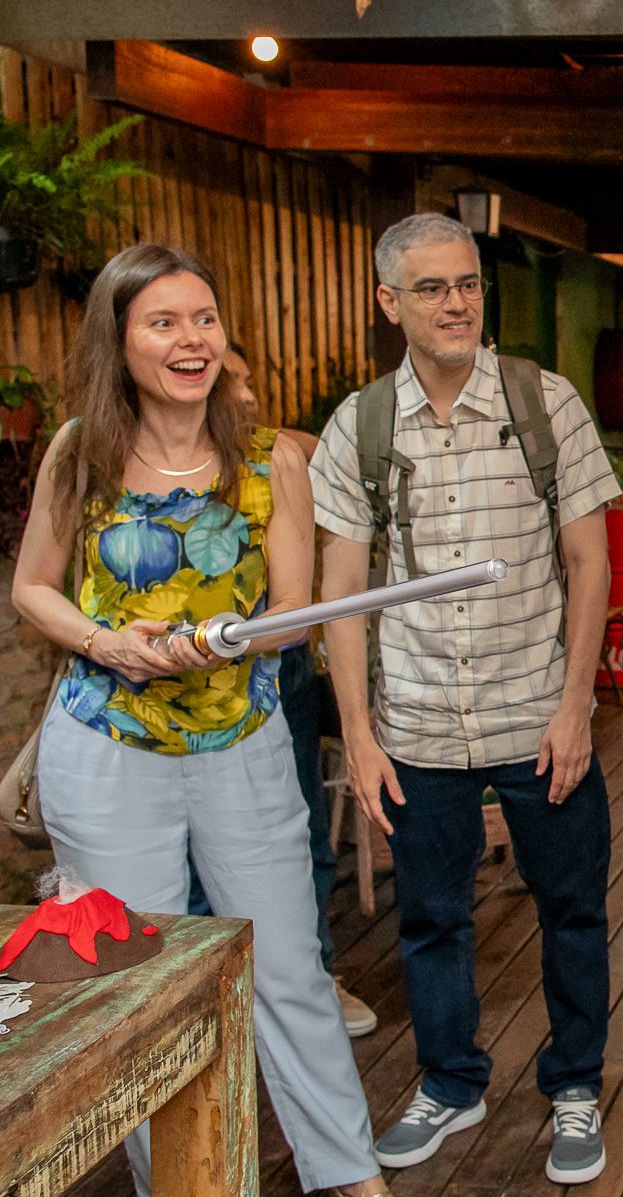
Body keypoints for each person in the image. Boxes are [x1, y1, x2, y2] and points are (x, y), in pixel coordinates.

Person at [11, 244, 422, 1197]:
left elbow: (293, 608)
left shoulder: (273, 454)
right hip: (104, 749)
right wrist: (106, 638)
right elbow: (33, 588)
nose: (190, 339)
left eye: (203, 318)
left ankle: (350, 1169)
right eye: (163, 321)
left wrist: (222, 637)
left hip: (238, 740)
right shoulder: (80, 452)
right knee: (144, 978)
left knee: (284, 959)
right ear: (121, 338)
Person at [307, 213, 621, 1183]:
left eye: (469, 284)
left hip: (537, 711)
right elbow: (344, 599)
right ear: (388, 302)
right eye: (433, 287)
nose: (457, 303)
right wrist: (359, 734)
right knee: (430, 917)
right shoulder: (359, 426)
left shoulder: (544, 401)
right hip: (422, 725)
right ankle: (452, 1079)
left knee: (571, 909)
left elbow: (589, 560)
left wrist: (577, 707)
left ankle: (574, 1085)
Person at [184, 341, 377, 1038]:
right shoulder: (147, 463)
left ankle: (316, 973)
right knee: (197, 847)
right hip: (174, 673)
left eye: (245, 375)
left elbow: (326, 448)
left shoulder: (273, 454)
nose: (247, 392)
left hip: (275, 666)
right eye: (233, 381)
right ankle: (209, 994)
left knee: (296, 825)